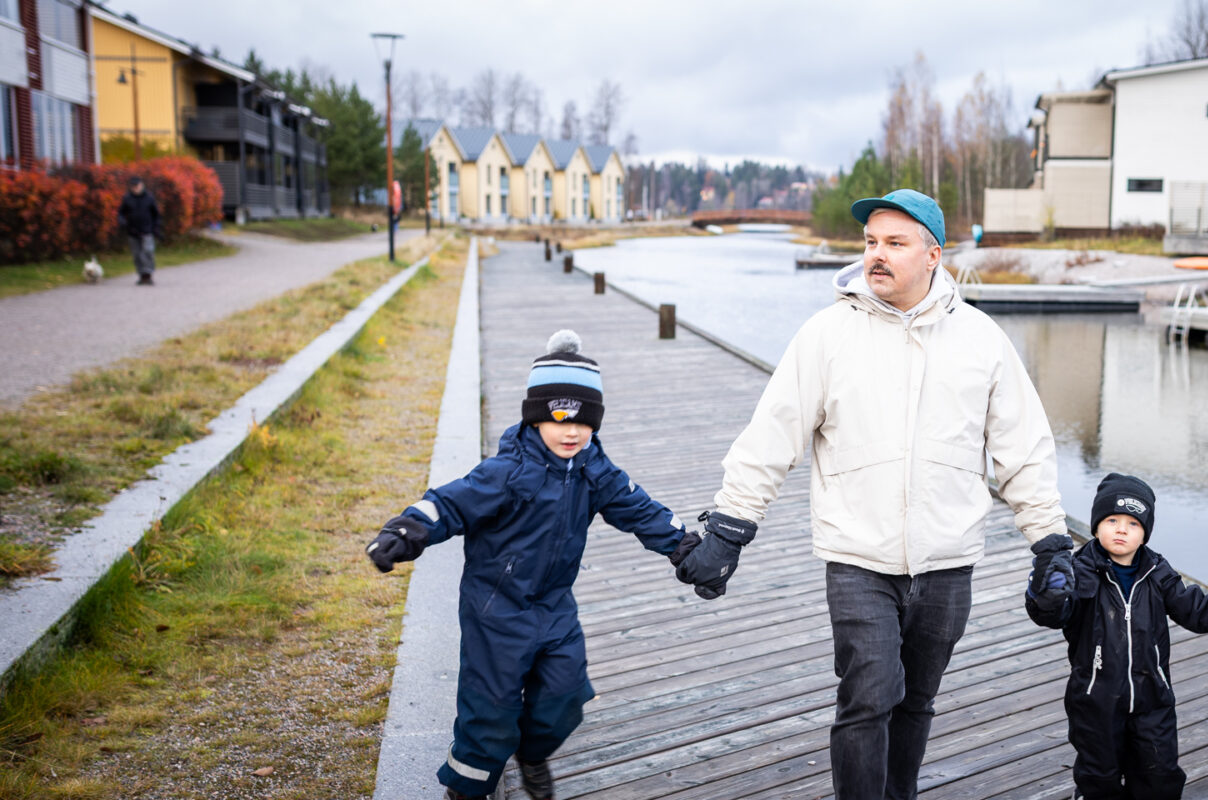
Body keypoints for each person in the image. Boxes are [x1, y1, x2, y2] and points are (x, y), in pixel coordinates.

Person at [673, 188, 1070, 799]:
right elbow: (772, 434)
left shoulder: (981, 340)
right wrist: (731, 525)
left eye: (894, 243)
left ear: (934, 254)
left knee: (916, 702)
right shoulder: (827, 335)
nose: (875, 256)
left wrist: (1050, 544)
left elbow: (1024, 447)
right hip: (858, 554)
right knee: (869, 696)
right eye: (870, 243)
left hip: (947, 560)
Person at [365, 330, 696, 800]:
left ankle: (533, 754)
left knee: (564, 696)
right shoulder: (506, 473)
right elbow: (449, 504)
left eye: (585, 422)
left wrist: (686, 548)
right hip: (495, 610)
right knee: (491, 711)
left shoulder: (595, 469)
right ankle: (467, 788)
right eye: (560, 417)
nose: (571, 431)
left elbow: (640, 509)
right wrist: (406, 531)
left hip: (554, 607)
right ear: (537, 416)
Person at [1024, 473, 1208, 799]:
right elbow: (1055, 615)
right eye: (1112, 520)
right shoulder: (1079, 570)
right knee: (1099, 777)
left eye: (1133, 523)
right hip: (1094, 699)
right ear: (1096, 525)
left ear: (1145, 533)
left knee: (1160, 776)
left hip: (1152, 699)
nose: (1121, 529)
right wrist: (1046, 595)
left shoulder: (1158, 572)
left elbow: (1194, 607)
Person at [117, 176, 160, 286]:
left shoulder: (149, 198)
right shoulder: (127, 198)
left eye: (137, 186)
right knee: (137, 254)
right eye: (133, 186)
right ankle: (141, 275)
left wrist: (156, 227)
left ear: (142, 185)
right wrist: (122, 221)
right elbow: (121, 213)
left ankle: (148, 274)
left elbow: (156, 214)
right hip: (133, 231)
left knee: (147, 252)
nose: (135, 188)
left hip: (147, 230)